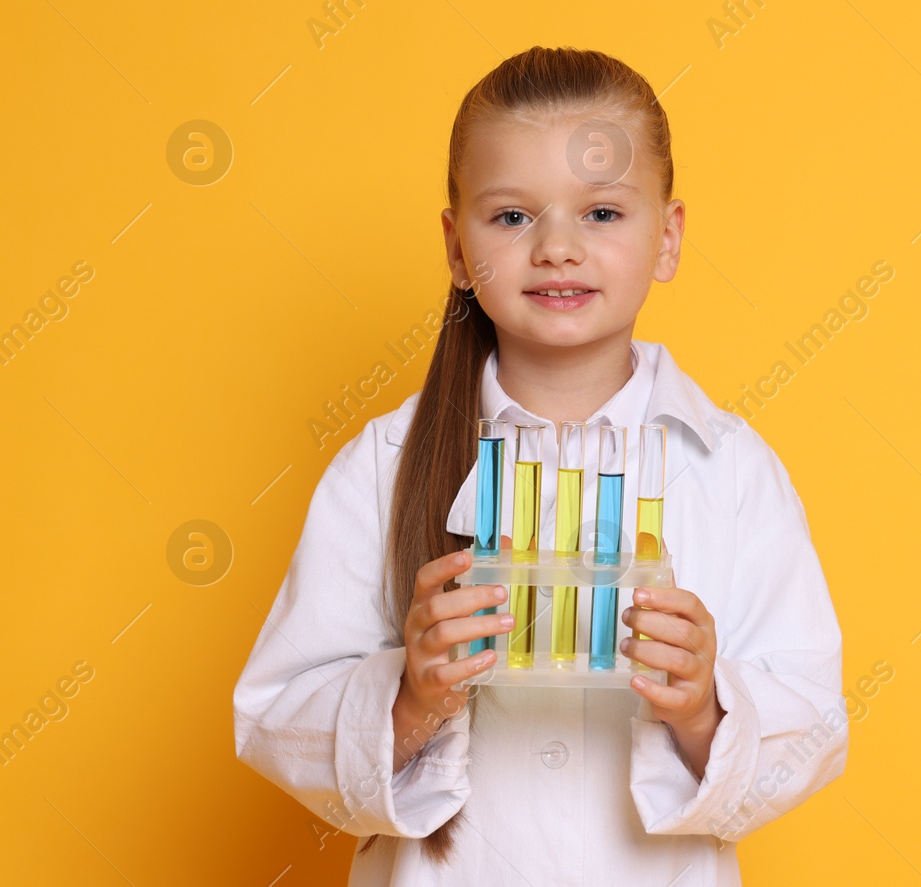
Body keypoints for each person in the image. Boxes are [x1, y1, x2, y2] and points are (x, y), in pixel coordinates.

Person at [232, 46, 847, 885]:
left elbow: (814, 725)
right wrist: (413, 696)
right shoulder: (379, 466)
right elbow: (274, 719)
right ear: (457, 247)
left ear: (666, 238)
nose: (558, 247)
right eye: (513, 217)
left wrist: (706, 707)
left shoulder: (733, 471)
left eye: (602, 213)